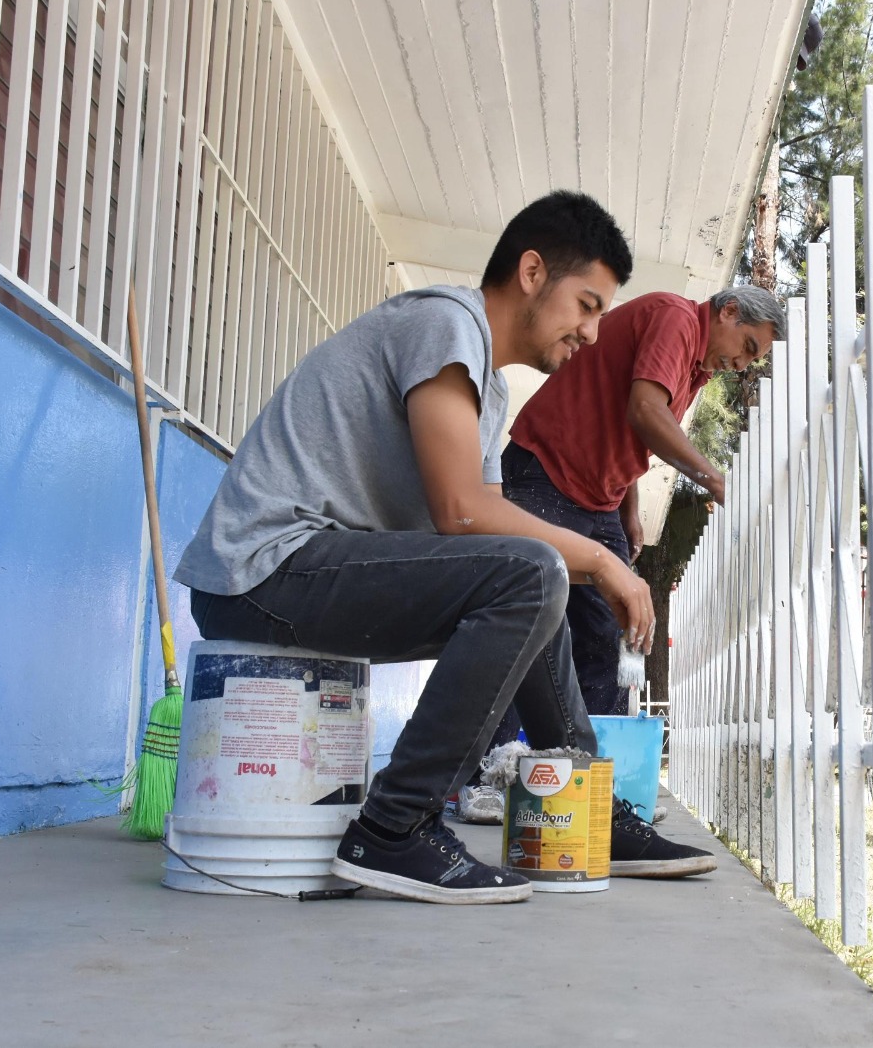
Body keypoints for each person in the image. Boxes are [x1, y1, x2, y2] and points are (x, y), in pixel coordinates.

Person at [174, 191, 716, 905]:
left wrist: (578, 567)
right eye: (586, 304)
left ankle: (591, 813)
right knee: (536, 574)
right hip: (261, 568)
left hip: (305, 573)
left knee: (538, 581)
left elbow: (489, 525)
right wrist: (603, 559)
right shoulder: (444, 323)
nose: (591, 333)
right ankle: (395, 828)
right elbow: (462, 513)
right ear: (531, 272)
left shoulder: (485, 390)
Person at [454, 286, 783, 824]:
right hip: (546, 470)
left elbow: (630, 426)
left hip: (598, 498)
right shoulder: (678, 318)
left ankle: (581, 786)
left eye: (752, 360)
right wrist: (717, 481)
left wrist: (629, 506)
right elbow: (644, 410)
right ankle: (481, 776)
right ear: (726, 312)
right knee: (526, 622)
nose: (741, 363)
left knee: (609, 638)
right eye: (747, 346)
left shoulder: (695, 366)